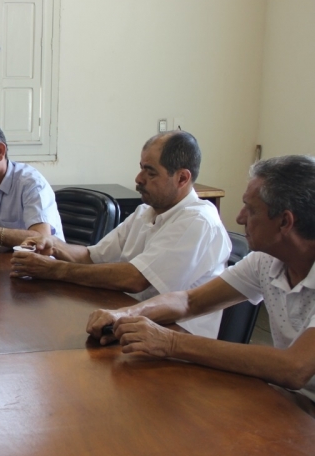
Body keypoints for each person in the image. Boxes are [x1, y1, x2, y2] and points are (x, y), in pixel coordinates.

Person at [87, 155, 315, 413]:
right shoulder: (265, 261)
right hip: (290, 401)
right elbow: (189, 301)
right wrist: (124, 315)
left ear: (285, 222)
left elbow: (295, 368)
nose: (239, 218)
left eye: (250, 210)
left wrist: (171, 343)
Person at [12, 131, 230, 337]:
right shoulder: (145, 212)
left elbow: (134, 279)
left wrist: (55, 270)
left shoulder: (197, 222)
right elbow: (91, 257)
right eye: (141, 168)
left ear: (182, 178)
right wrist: (52, 244)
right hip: (131, 322)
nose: (139, 178)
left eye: (150, 172)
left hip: (175, 340)